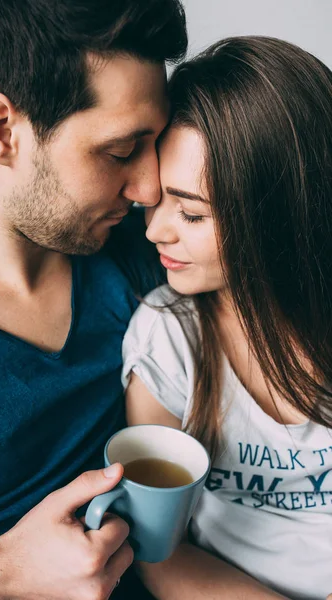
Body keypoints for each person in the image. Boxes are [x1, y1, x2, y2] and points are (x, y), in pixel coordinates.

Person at [0, 1, 187, 598]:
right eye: (121, 151)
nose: (151, 187)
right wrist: (1, 572)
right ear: (0, 131)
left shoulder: (148, 253)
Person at [123, 36, 332, 600]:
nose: (154, 231)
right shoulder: (168, 339)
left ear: (280, 211)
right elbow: (157, 552)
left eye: (190, 212)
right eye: (156, 202)